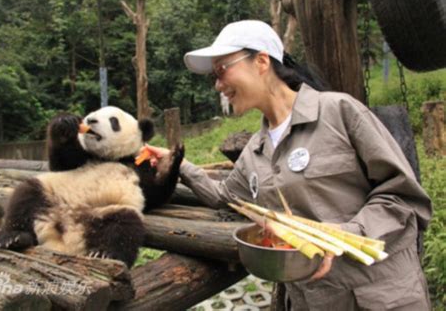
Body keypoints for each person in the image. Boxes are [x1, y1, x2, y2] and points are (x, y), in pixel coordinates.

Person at [146, 20, 432, 310]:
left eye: (222, 70)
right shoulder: (254, 153)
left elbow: (403, 197)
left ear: (261, 61)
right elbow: (226, 198)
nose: (218, 85)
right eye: (213, 77)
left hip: (380, 298)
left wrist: (343, 235)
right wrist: (177, 163)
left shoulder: (339, 113)